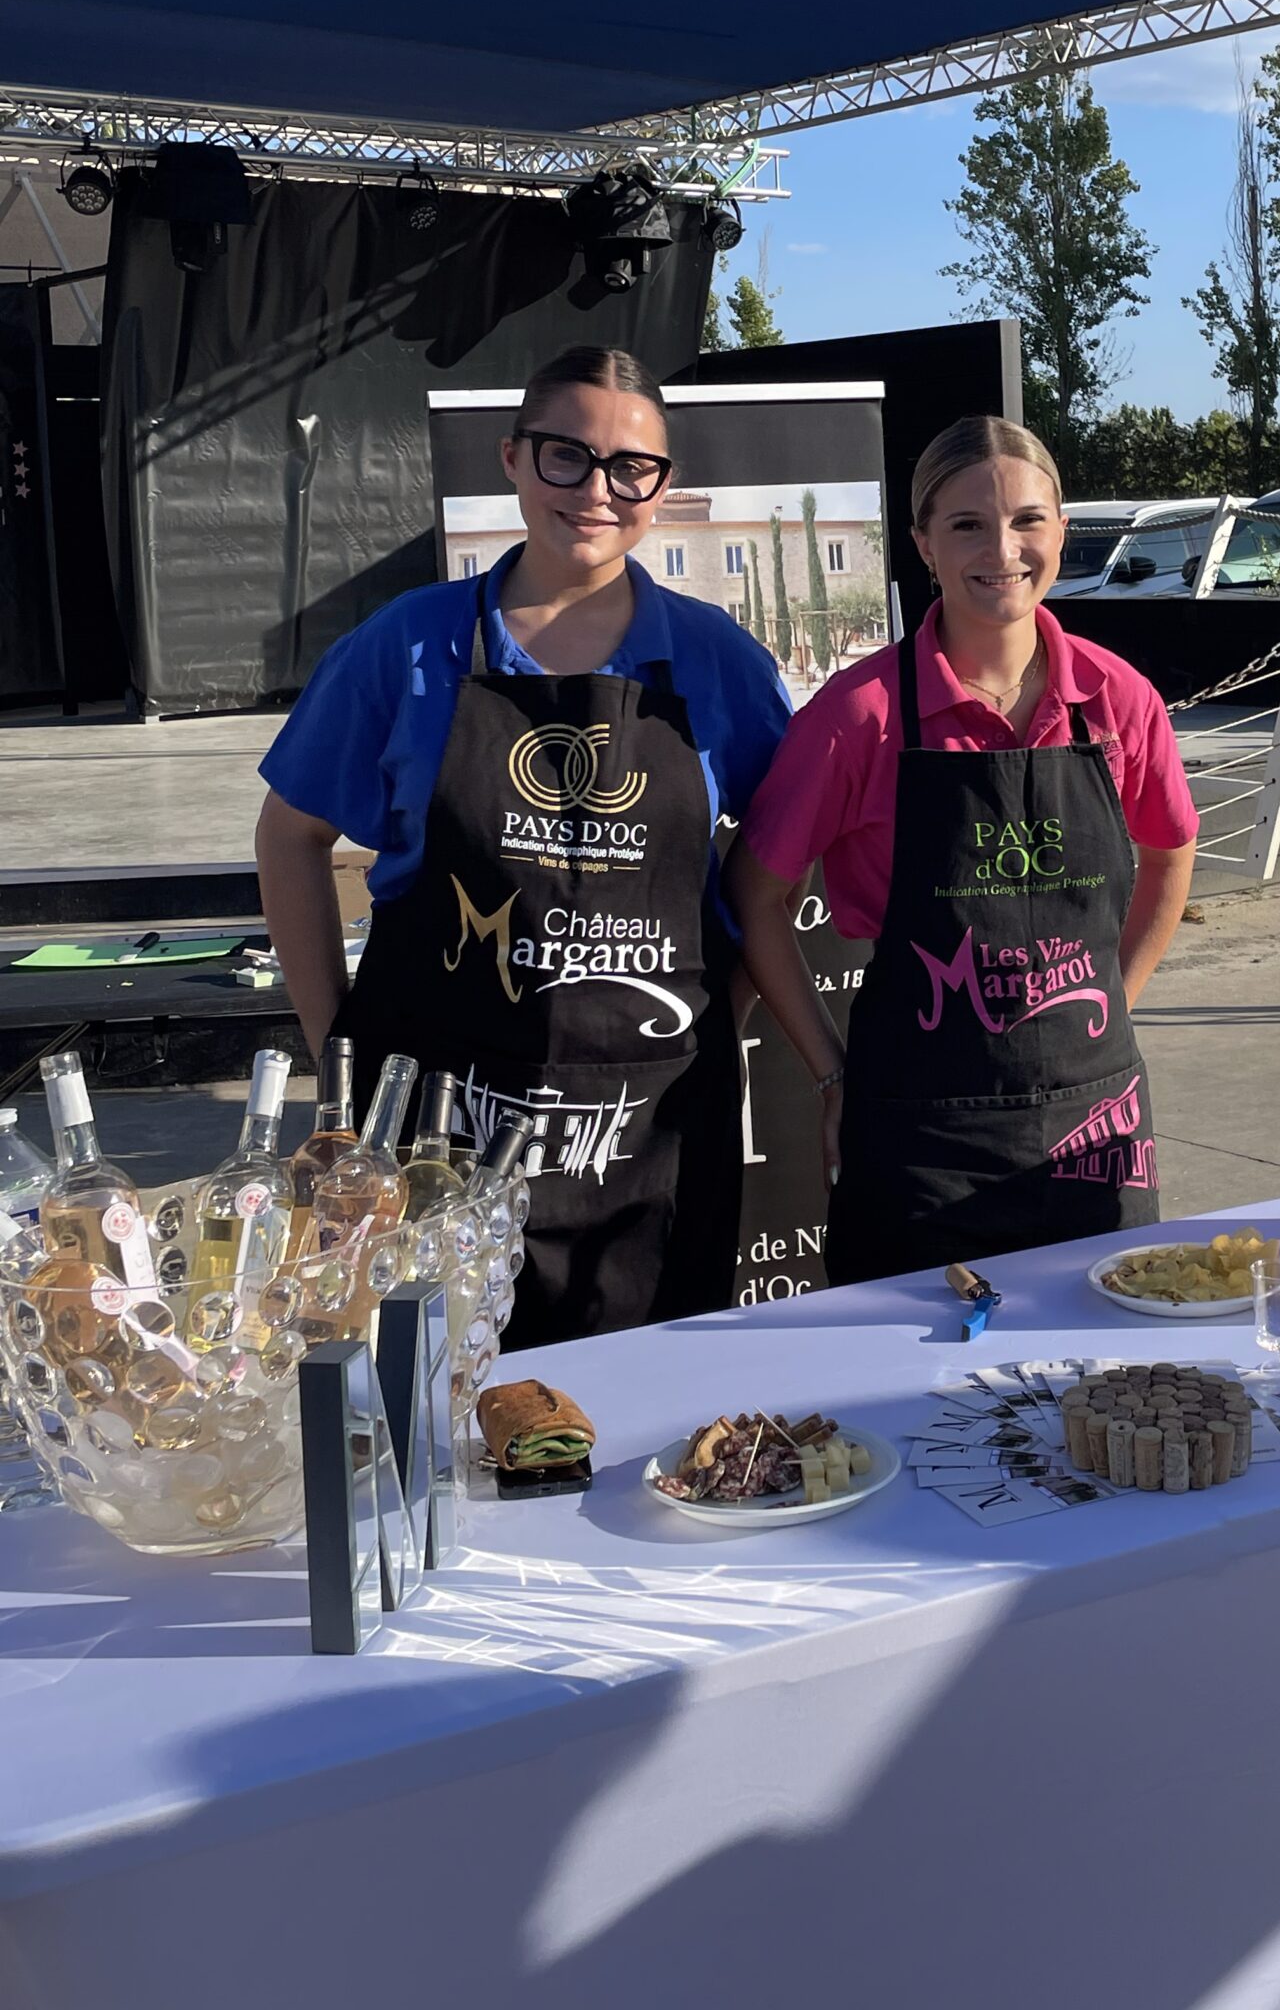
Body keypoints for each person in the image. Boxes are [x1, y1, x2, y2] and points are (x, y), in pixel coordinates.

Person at [255, 345, 789, 1346]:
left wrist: (728, 1008)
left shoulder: (720, 662)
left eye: (632, 467)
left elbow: (788, 855)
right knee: (432, 1404)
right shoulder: (405, 645)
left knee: (652, 1414)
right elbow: (290, 836)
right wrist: (339, 1054)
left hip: (653, 1137)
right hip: (432, 1138)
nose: (597, 490)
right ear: (512, 457)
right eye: (566, 456)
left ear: (662, 485)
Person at [727, 414, 1197, 1283]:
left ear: (1062, 530)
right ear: (923, 545)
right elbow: (756, 896)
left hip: (1099, 1130)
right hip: (918, 1139)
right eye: (969, 524)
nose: (1003, 550)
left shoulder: (1119, 698)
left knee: (1103, 1353)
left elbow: (1171, 853)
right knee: (913, 1360)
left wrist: (1116, 1000)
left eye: (1027, 520)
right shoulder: (858, 715)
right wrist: (831, 1076)